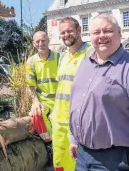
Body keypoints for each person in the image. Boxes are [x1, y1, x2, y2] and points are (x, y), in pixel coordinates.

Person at [69, 14, 129, 171]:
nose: (101, 36)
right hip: (82, 155)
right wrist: (74, 138)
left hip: (114, 161)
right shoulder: (86, 63)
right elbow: (76, 102)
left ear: (119, 33)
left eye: (107, 30)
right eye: (96, 32)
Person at [52, 17, 93, 171]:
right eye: (62, 32)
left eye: (69, 31)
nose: (66, 35)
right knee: (59, 162)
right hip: (58, 121)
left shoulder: (91, 54)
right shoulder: (62, 57)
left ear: (79, 30)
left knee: (77, 163)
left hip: (78, 123)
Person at [26, 31, 59, 166]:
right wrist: (35, 102)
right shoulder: (31, 61)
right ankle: (49, 145)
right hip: (43, 100)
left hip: (59, 99)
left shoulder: (59, 58)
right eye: (37, 41)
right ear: (34, 44)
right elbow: (30, 85)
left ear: (48, 41)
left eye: (43, 40)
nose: (41, 44)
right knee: (36, 115)